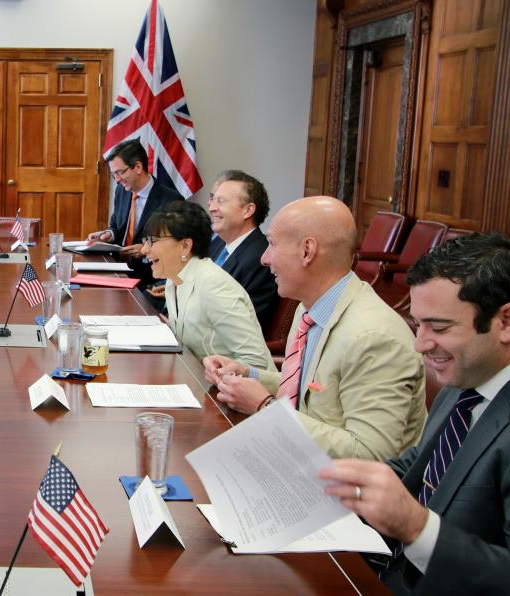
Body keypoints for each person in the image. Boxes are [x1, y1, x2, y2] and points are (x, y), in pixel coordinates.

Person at [321, 233, 510, 594]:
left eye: (438, 328)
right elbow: (419, 465)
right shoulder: (465, 381)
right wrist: (329, 483)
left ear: (505, 321)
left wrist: (417, 528)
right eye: (418, 324)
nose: (420, 344)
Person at [204, 196, 425, 461]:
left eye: (272, 244)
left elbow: (370, 454)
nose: (264, 258)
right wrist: (249, 375)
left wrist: (265, 406)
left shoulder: (373, 337)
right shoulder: (311, 306)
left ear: (307, 251)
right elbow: (311, 389)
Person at [140, 201, 274, 370]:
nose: (144, 250)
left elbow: (256, 362)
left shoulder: (213, 285)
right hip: (197, 378)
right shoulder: (173, 278)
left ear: (185, 246)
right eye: (145, 241)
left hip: (232, 390)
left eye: (152, 241)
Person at [86, 139, 182, 288]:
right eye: (113, 175)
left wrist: (144, 249)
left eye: (119, 172)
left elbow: (175, 246)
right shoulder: (122, 191)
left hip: (149, 280)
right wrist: (108, 234)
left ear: (138, 167)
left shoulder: (171, 200)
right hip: (115, 270)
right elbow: (116, 225)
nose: (117, 180)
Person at [206, 170, 278, 329]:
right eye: (212, 200)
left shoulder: (262, 258)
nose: (212, 207)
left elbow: (241, 323)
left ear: (248, 210)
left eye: (221, 201)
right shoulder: (217, 244)